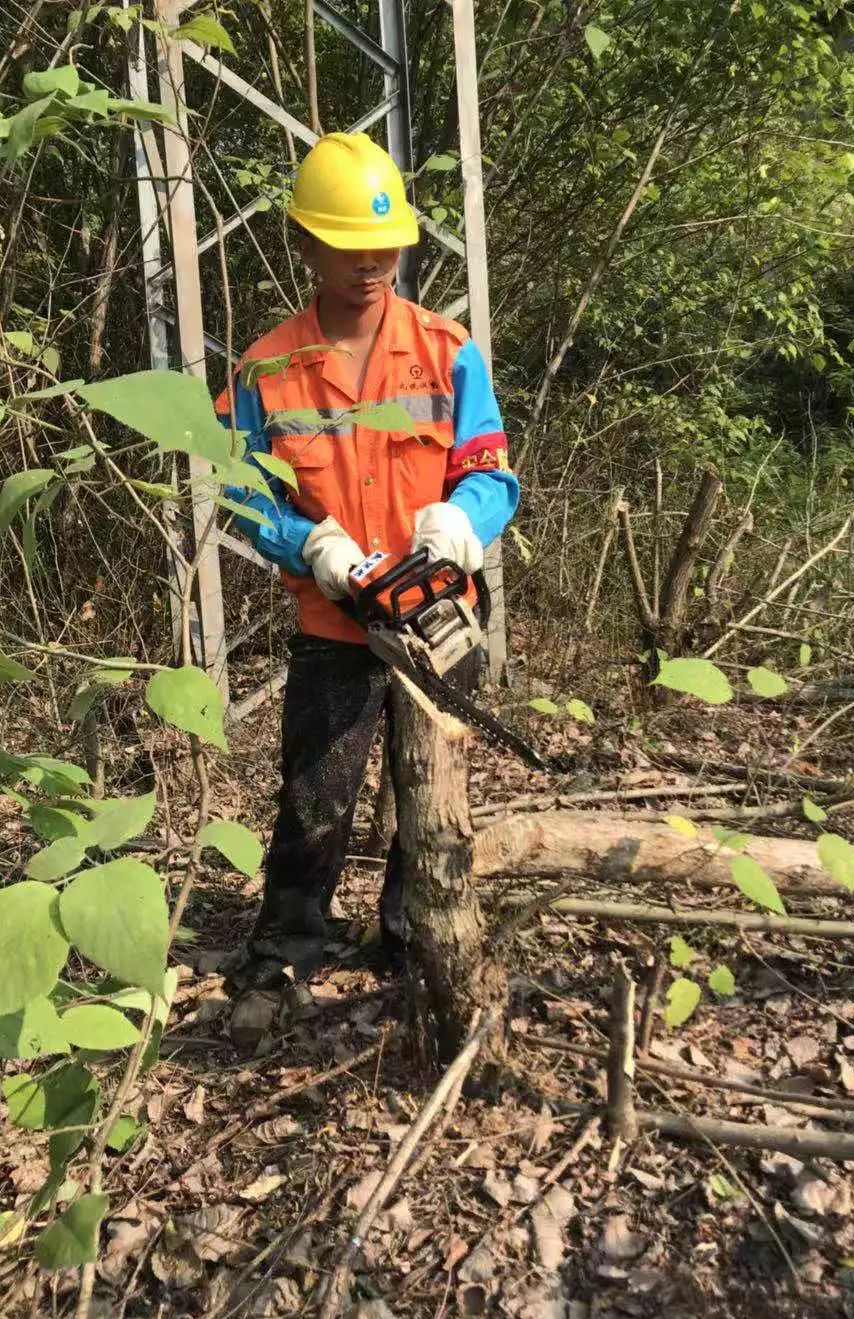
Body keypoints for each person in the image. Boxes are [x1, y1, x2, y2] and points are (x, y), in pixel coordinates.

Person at [214, 131, 518, 998]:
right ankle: (288, 948)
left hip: (437, 617)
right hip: (334, 620)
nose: (372, 263)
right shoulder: (267, 367)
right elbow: (235, 491)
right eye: (349, 247)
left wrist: (464, 520)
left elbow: (492, 469)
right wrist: (308, 543)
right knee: (317, 798)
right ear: (306, 243)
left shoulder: (445, 348)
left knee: (431, 793)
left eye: (385, 245)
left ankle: (412, 935)